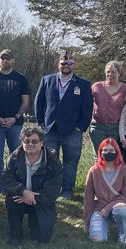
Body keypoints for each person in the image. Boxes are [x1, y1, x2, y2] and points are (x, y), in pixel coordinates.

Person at [34, 51, 93, 200]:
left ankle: (67, 190)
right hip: (50, 129)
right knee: (48, 161)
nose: (66, 66)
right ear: (58, 64)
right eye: (63, 63)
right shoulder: (47, 80)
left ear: (74, 65)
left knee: (70, 162)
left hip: (73, 130)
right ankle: (50, 189)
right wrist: (41, 122)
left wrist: (81, 127)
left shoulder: (83, 84)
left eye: (69, 63)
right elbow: (38, 102)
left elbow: (88, 107)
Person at [2, 126, 62, 244]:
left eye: (34, 141)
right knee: (11, 200)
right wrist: (24, 192)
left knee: (42, 238)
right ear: (22, 143)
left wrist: (33, 197)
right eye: (26, 141)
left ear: (42, 143)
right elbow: (6, 181)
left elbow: (53, 190)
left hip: (40, 200)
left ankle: (36, 224)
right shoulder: (14, 158)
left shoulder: (53, 161)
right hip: (19, 197)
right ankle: (15, 234)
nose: (30, 144)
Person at [0, 49, 31, 195]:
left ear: (13, 61)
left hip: (15, 125)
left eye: (8, 59)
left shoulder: (21, 78)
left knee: (16, 156)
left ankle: (14, 185)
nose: (5, 61)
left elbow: (25, 102)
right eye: (3, 58)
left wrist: (15, 117)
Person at [83, 138, 126, 244]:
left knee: (120, 210)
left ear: (116, 152)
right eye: (105, 150)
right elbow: (88, 198)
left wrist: (109, 207)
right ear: (100, 152)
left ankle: (122, 234)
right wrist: (87, 222)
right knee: (96, 239)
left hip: (119, 207)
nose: (108, 153)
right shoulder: (94, 171)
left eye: (111, 150)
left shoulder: (125, 170)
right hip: (99, 209)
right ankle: (103, 228)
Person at [89, 61, 126, 156]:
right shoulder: (96, 86)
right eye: (108, 72)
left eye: (113, 72)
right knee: (99, 156)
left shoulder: (125, 89)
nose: (110, 74)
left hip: (116, 128)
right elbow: (86, 104)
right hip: (97, 127)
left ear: (119, 73)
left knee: (113, 156)